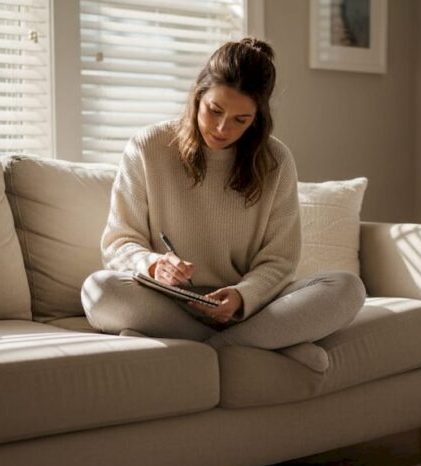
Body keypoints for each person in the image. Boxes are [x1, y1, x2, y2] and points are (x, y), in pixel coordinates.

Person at [81, 37, 365, 373]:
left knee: (347, 288)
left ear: (257, 118)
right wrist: (155, 265)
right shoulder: (148, 147)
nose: (221, 128)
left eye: (240, 120)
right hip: (170, 304)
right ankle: (266, 345)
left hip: (251, 306)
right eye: (215, 110)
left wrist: (243, 296)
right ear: (198, 95)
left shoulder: (276, 161)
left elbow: (280, 259)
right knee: (98, 291)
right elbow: (118, 242)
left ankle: (217, 346)